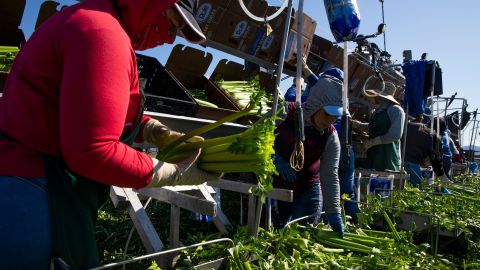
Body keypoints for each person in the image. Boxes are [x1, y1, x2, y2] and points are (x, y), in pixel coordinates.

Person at [0, 0, 221, 269]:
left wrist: (152, 130)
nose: (169, 37)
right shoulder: (104, 34)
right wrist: (171, 173)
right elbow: (93, 151)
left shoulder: (97, 22)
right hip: (35, 196)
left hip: (31, 185)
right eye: (172, 24)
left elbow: (90, 112)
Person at [272, 73, 346, 237]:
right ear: (315, 104)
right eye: (327, 114)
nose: (330, 120)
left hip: (308, 188)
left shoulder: (330, 137)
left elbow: (330, 175)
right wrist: (273, 158)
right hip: (277, 185)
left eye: (335, 116)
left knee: (303, 235)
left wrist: (334, 211)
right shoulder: (284, 113)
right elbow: (256, 137)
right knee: (277, 232)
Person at [352, 82, 406, 172]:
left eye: (376, 95)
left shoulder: (396, 110)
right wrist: (358, 125)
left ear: (381, 96)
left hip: (388, 156)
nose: (374, 98)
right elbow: (372, 127)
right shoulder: (377, 111)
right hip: (373, 155)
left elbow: (395, 135)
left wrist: (372, 142)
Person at [404, 114, 444, 186]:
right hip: (411, 163)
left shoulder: (413, 125)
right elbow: (435, 159)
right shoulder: (433, 135)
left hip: (396, 160)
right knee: (416, 188)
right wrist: (440, 174)